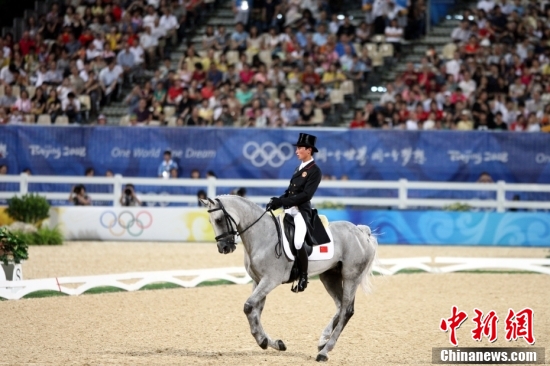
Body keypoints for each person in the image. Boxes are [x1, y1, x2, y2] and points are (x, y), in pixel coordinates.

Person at [266, 133, 322, 293]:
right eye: (297, 148)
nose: (296, 151)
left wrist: (282, 202)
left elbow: (305, 195)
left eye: (299, 148)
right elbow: (291, 192)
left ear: (309, 150)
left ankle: (303, 276)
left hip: (300, 213)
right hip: (288, 211)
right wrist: (278, 200)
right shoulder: (299, 168)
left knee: (298, 242)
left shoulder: (314, 171)